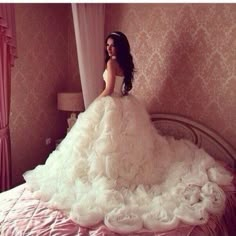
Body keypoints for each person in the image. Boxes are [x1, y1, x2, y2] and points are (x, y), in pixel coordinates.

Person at [23, 31, 234, 234]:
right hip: (125, 104)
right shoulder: (124, 63)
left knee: (105, 147)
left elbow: (109, 89)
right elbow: (123, 88)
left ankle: (108, 178)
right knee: (119, 147)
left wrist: (93, 104)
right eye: (107, 45)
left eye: (112, 45)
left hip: (111, 104)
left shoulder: (111, 63)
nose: (109, 48)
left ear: (119, 46)